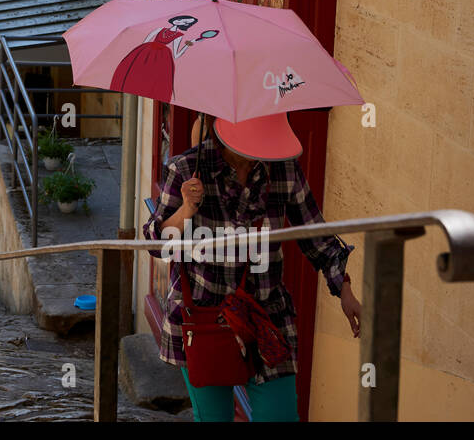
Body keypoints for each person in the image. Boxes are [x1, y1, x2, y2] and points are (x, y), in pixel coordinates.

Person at [143, 111, 363, 422]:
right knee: (214, 418)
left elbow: (316, 236)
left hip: (266, 316)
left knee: (280, 416)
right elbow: (157, 244)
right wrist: (186, 211)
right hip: (204, 317)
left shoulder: (284, 169)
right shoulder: (187, 169)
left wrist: (345, 290)